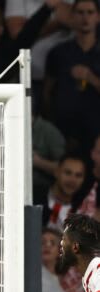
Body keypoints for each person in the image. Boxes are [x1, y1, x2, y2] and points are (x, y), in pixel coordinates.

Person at [45, 0, 100, 151]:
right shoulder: (58, 53)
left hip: (96, 132)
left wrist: (91, 78)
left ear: (98, 17)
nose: (85, 18)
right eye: (80, 12)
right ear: (72, 16)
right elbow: (47, 93)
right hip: (63, 131)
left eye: (90, 12)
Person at [35, 154, 88, 230]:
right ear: (56, 172)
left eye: (78, 175)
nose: (72, 180)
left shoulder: (83, 211)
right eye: (68, 173)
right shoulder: (34, 196)